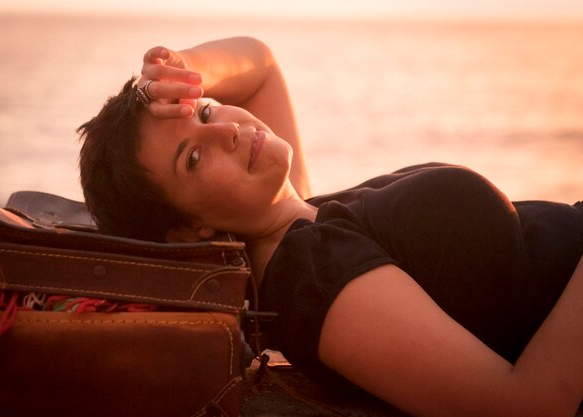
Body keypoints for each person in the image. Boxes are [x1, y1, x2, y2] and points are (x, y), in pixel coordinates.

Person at [78, 37, 583, 417]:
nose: (229, 129)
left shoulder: (292, 215)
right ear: (187, 231)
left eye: (206, 110)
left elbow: (261, 68)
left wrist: (177, 72)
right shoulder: (312, 277)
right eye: (192, 157)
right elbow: (528, 405)